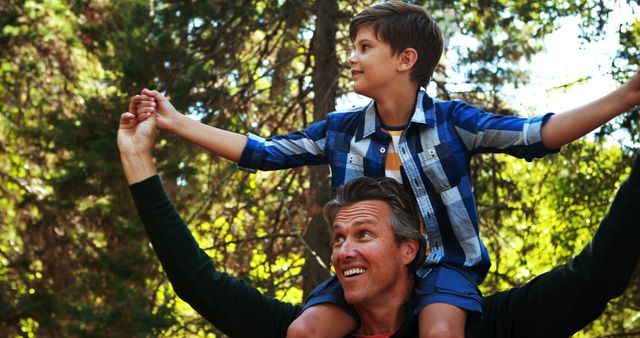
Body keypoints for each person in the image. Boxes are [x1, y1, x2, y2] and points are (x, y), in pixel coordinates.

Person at [130, 1, 640, 336]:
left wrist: (628, 95)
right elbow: (262, 151)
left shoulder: (452, 123)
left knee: (440, 331)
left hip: (446, 270)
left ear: (405, 59)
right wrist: (178, 124)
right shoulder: (340, 131)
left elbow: (537, 133)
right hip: (362, 282)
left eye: (364, 47)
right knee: (303, 331)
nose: (351, 58)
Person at [119, 107, 640, 338]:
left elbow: (598, 276)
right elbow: (196, 281)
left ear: (410, 249)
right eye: (339, 237)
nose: (343, 250)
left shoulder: (481, 326)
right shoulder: (306, 328)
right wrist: (138, 162)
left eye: (363, 235)